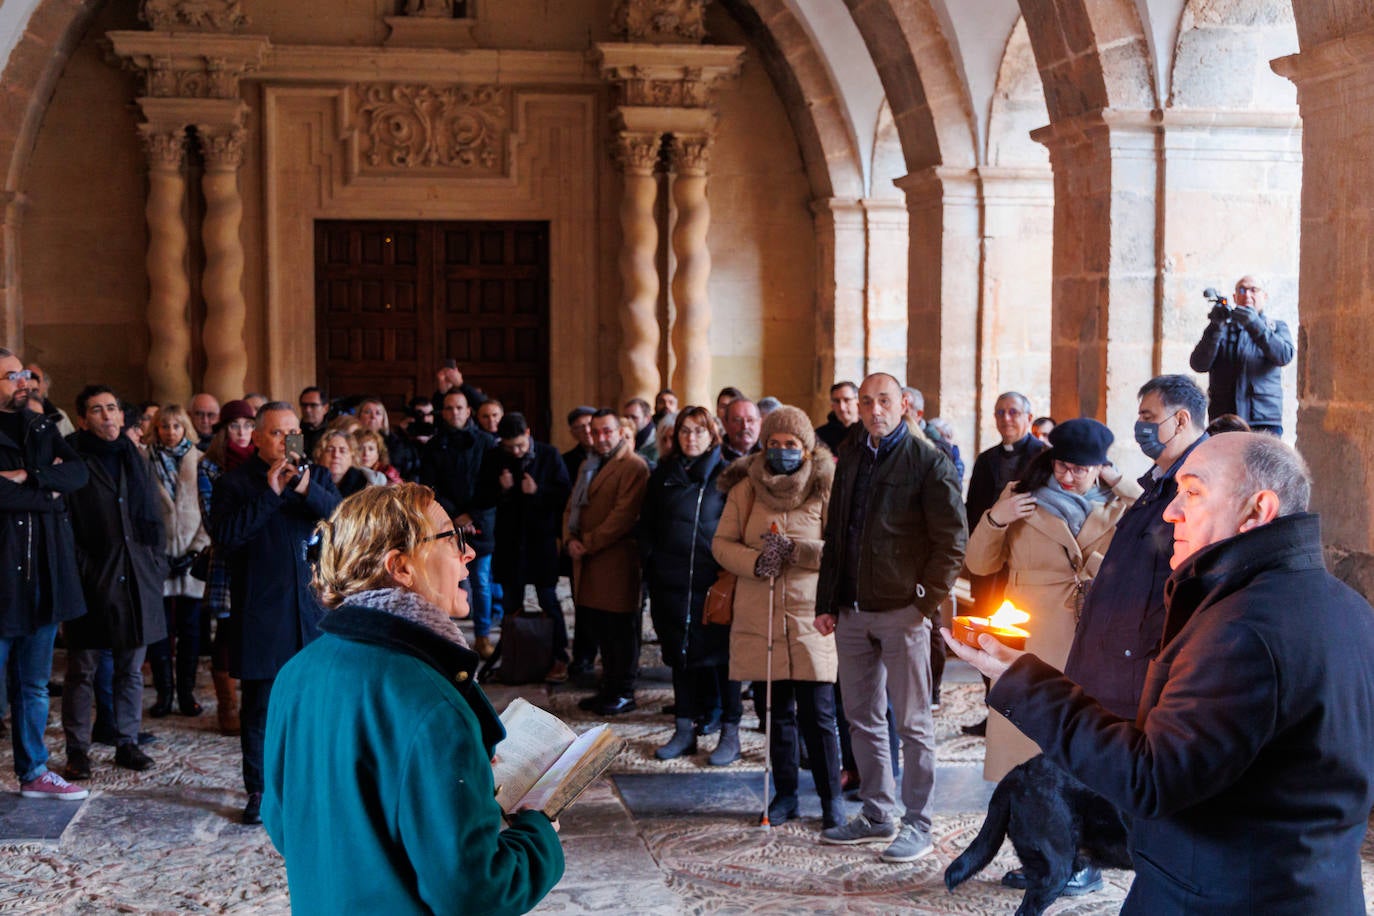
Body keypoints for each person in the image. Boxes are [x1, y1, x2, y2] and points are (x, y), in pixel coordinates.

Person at [947, 433, 1374, 914]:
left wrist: (1020, 679)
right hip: (1307, 883)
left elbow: (1151, 780)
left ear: (1258, 510)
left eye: (1192, 492)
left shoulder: (1242, 630)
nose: (1171, 512)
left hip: (1223, 895)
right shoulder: (1348, 607)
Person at [262, 483, 564, 912]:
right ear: (400, 567)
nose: (469, 553)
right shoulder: (433, 705)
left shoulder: (296, 673)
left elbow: (284, 824)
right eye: (450, 537)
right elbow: (476, 893)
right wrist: (539, 833)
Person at [814, 373, 966, 862]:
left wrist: (922, 604)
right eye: (866, 402)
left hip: (902, 612)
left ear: (904, 403)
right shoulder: (854, 454)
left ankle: (918, 823)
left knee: (914, 724)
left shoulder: (928, 461)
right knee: (862, 717)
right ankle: (879, 814)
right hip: (853, 611)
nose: (875, 409)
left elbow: (951, 542)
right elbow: (838, 534)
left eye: (884, 400)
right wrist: (826, 600)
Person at [965, 417, 1139, 788]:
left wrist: (1121, 483)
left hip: (1097, 637)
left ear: (1100, 468)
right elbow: (979, 564)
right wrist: (997, 519)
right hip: (1034, 635)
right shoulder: (1021, 495)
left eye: (1080, 469)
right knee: (1029, 756)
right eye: (1062, 465)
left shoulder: (1121, 504)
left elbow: (1162, 528)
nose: (1068, 476)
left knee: (1089, 755)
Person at [210, 401, 341, 824]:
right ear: (258, 437)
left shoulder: (315, 477)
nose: (286, 440)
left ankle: (311, 786)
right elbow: (227, 538)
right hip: (260, 612)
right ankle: (259, 790)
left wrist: (303, 489)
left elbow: (344, 521)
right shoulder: (234, 484)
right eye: (277, 433)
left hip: (312, 613)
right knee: (261, 708)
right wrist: (270, 493)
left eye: (292, 432)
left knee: (314, 706)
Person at [714, 406, 842, 826]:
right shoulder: (745, 489)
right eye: (775, 444)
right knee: (776, 714)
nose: (782, 451)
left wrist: (797, 552)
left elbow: (840, 549)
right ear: (764, 446)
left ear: (806, 449)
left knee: (819, 716)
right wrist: (756, 562)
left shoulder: (824, 486)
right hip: (761, 614)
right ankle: (786, 796)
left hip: (810, 618)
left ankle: (831, 800)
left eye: (791, 445)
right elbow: (722, 544)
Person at [1064, 374, 1208, 719]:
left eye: (1148, 417)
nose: (1139, 426)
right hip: (1119, 658)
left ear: (1181, 421)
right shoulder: (1159, 481)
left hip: (1139, 666)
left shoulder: (1196, 484)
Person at [0, 348, 90, 799]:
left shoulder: (39, 425)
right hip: (2, 582)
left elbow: (77, 473)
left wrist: (26, 477)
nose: (22, 381)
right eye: (10, 375)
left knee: (34, 685)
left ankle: (34, 772)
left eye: (21, 373)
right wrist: (45, 489)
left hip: (43, 582)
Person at [64, 384, 168, 777]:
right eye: (97, 410)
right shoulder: (72, 457)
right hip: (94, 575)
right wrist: (83, 569)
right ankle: (78, 749)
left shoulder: (135, 457)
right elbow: (66, 521)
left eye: (112, 408)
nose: (107, 416)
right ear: (82, 419)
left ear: (123, 416)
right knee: (83, 669)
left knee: (130, 668)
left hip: (137, 573)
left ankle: (127, 741)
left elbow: (154, 514)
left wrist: (155, 562)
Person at [640, 406, 735, 763]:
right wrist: (652, 566)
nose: (691, 437)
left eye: (699, 430)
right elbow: (646, 525)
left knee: (722, 661)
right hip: (671, 583)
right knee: (680, 658)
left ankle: (730, 732)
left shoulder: (726, 476)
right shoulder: (663, 474)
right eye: (684, 431)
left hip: (713, 584)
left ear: (713, 434)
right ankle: (684, 729)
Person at [960, 391, 1046, 736]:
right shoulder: (986, 460)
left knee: (1021, 641)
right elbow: (972, 510)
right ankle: (994, 709)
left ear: (1028, 417)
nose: (1006, 418)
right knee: (985, 637)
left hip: (1024, 566)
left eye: (1013, 412)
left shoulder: (1043, 457)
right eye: (1000, 413)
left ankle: (1025, 712)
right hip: (989, 566)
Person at [565, 409, 649, 715]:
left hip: (615, 560)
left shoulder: (633, 466)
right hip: (589, 561)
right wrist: (569, 538)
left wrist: (586, 543)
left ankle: (623, 691)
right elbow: (571, 506)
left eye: (607, 431)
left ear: (619, 432)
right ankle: (608, 687)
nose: (600, 437)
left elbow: (623, 516)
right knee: (601, 629)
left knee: (620, 633)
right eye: (595, 431)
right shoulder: (590, 464)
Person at [472, 413, 571, 668]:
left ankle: (559, 656)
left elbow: (563, 496)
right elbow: (481, 498)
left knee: (548, 599)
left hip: (541, 541)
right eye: (510, 446)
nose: (515, 451)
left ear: (528, 433)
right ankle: (513, 655)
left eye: (520, 445)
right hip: (509, 542)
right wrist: (502, 488)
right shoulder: (496, 457)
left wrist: (537, 492)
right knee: (510, 603)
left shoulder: (549, 455)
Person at [145, 403, 211, 719]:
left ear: (185, 428)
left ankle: (186, 692)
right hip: (157, 557)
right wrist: (156, 554)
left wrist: (195, 551)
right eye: (164, 426)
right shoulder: (144, 461)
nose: (170, 432)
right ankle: (164, 693)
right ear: (155, 429)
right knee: (160, 629)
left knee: (190, 629)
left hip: (191, 554)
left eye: (176, 426)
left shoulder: (200, 461)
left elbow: (208, 509)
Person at [197, 399, 256, 737]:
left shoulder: (266, 462)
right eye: (235, 426)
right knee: (228, 632)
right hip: (227, 556)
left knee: (257, 628)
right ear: (224, 430)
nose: (242, 433)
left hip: (262, 558)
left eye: (249, 426)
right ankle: (227, 705)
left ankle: (254, 702)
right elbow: (212, 520)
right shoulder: (210, 466)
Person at [420, 390, 497, 638]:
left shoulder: (486, 442)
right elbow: (430, 486)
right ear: (443, 413)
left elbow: (491, 483)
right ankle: (448, 635)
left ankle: (483, 635)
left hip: (481, 519)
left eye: (459, 408)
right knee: (447, 580)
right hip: (446, 521)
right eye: (450, 408)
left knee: (481, 581)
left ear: (468, 411)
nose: (455, 413)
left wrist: (471, 515)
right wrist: (454, 516)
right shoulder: (434, 444)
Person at [1188, 275, 1294, 435]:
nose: (1247, 295)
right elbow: (1199, 364)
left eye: (1254, 290)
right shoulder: (1221, 328)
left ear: (1264, 297)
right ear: (1235, 297)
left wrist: (1254, 324)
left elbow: (1284, 356)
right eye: (1242, 290)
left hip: (1263, 420)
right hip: (1224, 419)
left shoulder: (1276, 327)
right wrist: (1215, 326)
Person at [357, 397, 418, 481]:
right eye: (368, 412)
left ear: (383, 420)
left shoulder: (395, 442)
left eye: (378, 413)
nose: (373, 416)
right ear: (359, 417)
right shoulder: (351, 438)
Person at [315, 428, 380, 497]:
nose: (336, 455)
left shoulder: (366, 484)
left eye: (342, 451)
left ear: (352, 457)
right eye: (330, 450)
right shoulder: (310, 480)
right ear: (320, 455)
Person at [814, 381, 859, 452]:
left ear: (858, 402)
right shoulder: (820, 435)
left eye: (847, 400)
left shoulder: (869, 432)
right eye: (837, 401)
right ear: (832, 406)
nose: (842, 407)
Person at [721, 397, 762, 463]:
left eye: (750, 420)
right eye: (737, 420)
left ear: (760, 423)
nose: (745, 426)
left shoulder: (770, 455)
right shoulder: (714, 457)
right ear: (725, 424)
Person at [623, 397, 658, 467]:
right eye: (626, 417)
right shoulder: (623, 438)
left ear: (647, 418)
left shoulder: (657, 443)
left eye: (634, 417)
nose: (629, 421)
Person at [298, 386, 328, 456]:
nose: (307, 410)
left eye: (313, 405)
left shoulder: (331, 432)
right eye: (304, 405)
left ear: (325, 408)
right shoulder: (294, 431)